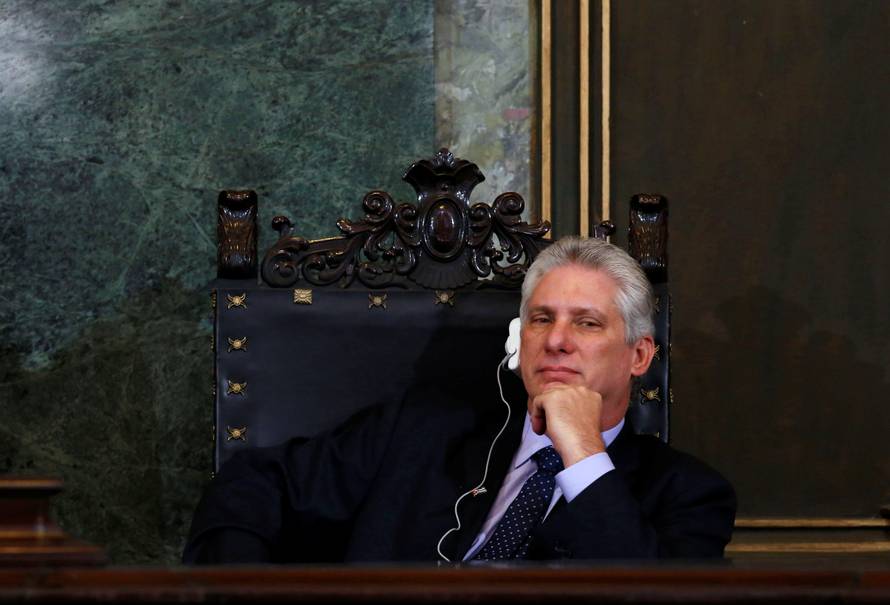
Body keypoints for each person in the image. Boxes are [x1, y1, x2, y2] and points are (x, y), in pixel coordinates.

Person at [184, 236, 736, 563]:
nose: (558, 339)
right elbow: (253, 487)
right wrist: (244, 601)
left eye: (587, 323)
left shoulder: (688, 495)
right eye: (542, 319)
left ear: (639, 357)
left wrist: (584, 453)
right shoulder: (421, 430)